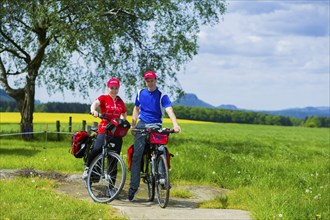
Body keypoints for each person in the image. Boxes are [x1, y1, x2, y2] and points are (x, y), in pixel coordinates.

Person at [128, 70, 181, 201]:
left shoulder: (161, 95)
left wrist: (175, 125)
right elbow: (136, 108)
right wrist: (133, 125)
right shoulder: (140, 93)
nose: (150, 83)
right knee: (137, 155)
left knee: (161, 149)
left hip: (155, 125)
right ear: (145, 81)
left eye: (152, 80)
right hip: (142, 124)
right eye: (147, 80)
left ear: (156, 80)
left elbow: (169, 109)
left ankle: (162, 179)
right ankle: (133, 188)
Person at [82, 77, 127, 179]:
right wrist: (93, 110)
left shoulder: (120, 101)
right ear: (108, 88)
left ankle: (111, 188)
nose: (114, 90)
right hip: (104, 129)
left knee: (114, 159)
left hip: (116, 131)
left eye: (116, 88)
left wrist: (122, 120)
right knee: (97, 148)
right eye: (112, 88)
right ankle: (87, 167)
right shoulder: (103, 98)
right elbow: (95, 103)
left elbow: (124, 113)